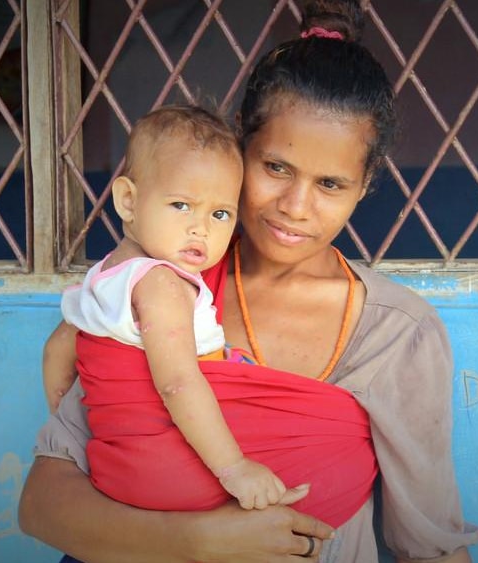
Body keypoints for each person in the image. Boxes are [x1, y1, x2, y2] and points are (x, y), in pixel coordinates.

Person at [19, 0, 478, 561]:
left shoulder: (397, 334)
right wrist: (197, 541)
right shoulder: (167, 284)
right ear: (240, 147)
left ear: (366, 185)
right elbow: (43, 503)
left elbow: (429, 548)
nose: (295, 206)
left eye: (331, 184)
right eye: (276, 168)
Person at [44, 104, 297, 512]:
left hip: (112, 470)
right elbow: (177, 383)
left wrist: (75, 424)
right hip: (169, 475)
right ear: (128, 201)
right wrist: (234, 468)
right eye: (181, 205)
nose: (201, 227)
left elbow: (57, 350)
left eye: (220, 213)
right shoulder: (162, 283)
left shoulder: (104, 277)